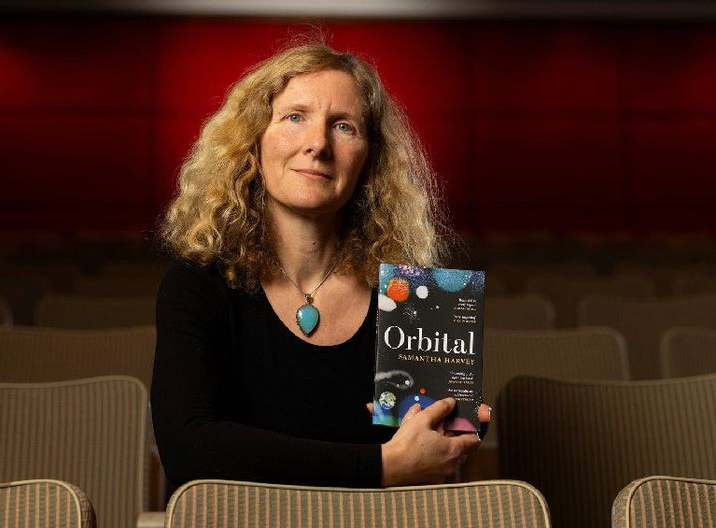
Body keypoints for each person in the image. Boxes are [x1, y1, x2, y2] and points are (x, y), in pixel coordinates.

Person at [152, 41, 490, 490]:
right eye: (295, 117)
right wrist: (379, 466)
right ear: (253, 141)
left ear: (369, 157)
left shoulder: (416, 298)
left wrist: (452, 428)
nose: (318, 144)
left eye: (344, 126)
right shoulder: (196, 285)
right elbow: (189, 450)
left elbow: (425, 467)